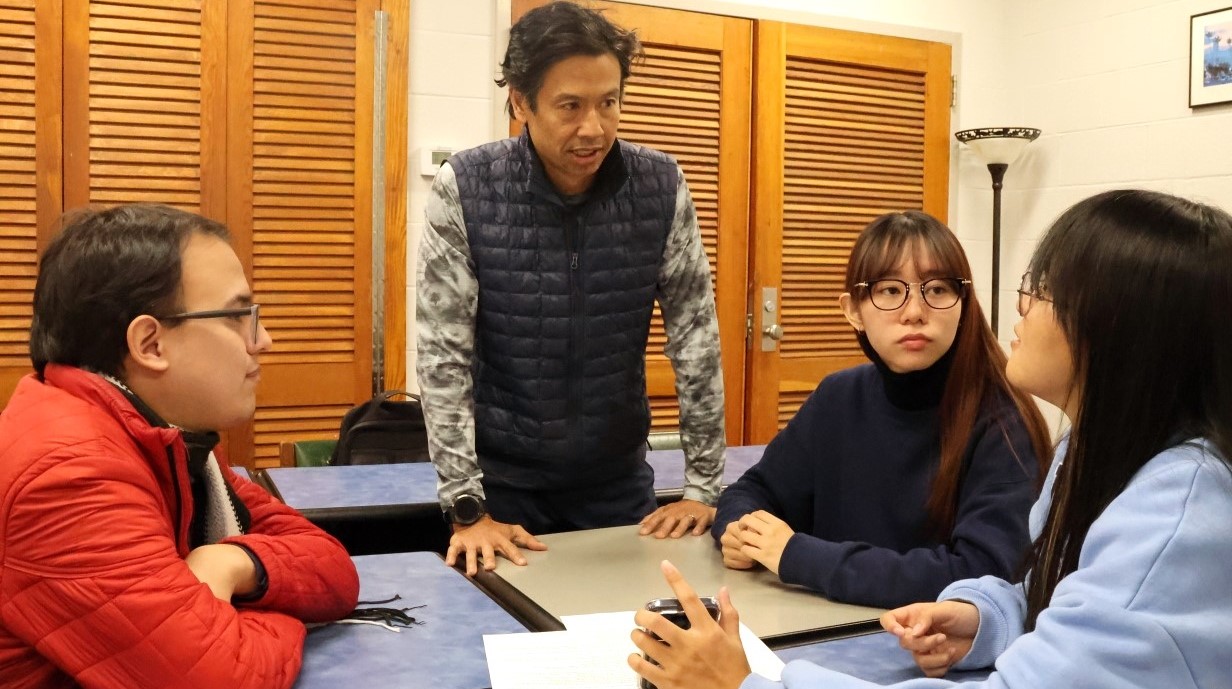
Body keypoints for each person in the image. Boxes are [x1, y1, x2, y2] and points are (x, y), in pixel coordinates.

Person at [627, 189, 1232, 689]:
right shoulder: (1099, 448)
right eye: (889, 291)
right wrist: (983, 618)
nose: (1018, 307)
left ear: (1121, 327)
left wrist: (746, 684)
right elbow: (1044, 588)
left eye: (1042, 289)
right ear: (853, 309)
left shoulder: (1172, 515)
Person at [416, 0, 727, 576]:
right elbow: (443, 357)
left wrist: (704, 486)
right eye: (570, 106)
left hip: (619, 486)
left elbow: (695, 338)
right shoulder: (467, 186)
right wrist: (465, 507)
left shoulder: (660, 184)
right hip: (502, 497)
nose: (595, 127)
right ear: (520, 102)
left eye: (609, 102)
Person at [0, 204, 360, 689]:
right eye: (239, 316)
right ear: (150, 344)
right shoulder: (68, 474)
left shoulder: (166, 440)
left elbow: (333, 568)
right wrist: (263, 615)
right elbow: (224, 678)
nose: (264, 341)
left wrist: (235, 562)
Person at [712, 211, 1051, 608]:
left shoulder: (1002, 421)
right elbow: (753, 490)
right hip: (815, 629)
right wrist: (739, 530)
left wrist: (797, 556)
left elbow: (981, 572)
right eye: (890, 291)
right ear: (852, 310)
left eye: (938, 289)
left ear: (963, 303)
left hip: (926, 652)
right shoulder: (838, 397)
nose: (914, 311)